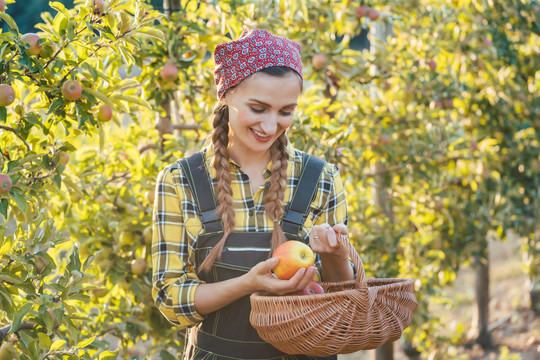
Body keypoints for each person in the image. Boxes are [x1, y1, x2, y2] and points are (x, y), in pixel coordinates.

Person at [152, 28, 355, 360]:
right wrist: (248, 284)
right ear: (226, 95)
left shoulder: (319, 178)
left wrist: (334, 256)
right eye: (258, 108)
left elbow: (341, 299)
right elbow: (170, 300)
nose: (271, 125)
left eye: (286, 111)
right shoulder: (182, 180)